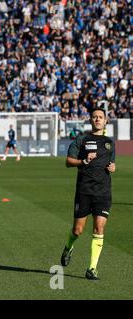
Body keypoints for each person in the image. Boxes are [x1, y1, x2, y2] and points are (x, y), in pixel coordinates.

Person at [60, 108, 115, 280]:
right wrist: (83, 161)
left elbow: (111, 164)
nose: (98, 119)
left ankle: (92, 268)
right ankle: (68, 247)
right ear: (90, 120)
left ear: (106, 121)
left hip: (103, 192)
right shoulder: (82, 139)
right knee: (77, 230)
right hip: (84, 191)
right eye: (95, 117)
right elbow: (68, 162)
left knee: (99, 228)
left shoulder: (109, 143)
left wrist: (113, 167)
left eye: (101, 117)